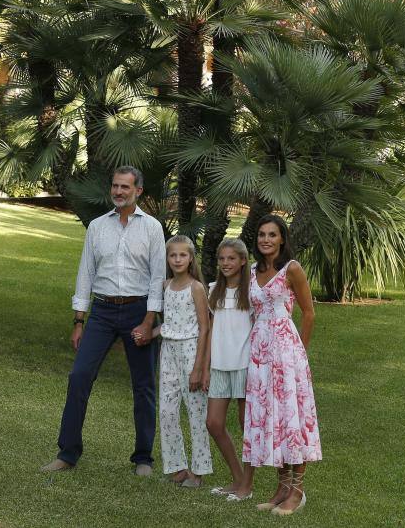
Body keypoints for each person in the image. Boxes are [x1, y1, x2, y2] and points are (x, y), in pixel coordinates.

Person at [41, 166, 165, 477]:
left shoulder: (152, 228)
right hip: (102, 312)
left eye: (125, 187)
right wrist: (79, 320)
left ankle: (143, 458)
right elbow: (86, 273)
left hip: (139, 311)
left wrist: (149, 321)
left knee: (144, 385)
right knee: (79, 376)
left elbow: (158, 278)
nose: (119, 192)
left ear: (138, 191)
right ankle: (67, 453)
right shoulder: (97, 226)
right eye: (115, 186)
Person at [233, 214, 322, 515]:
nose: (266, 239)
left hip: (286, 352)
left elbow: (309, 313)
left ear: (282, 238)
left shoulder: (291, 269)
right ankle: (281, 488)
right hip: (259, 352)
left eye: (272, 234)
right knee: (271, 418)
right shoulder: (254, 270)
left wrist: (300, 353)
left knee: (291, 417)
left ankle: (297, 491)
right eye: (261, 234)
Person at [136, 235, 212, 487]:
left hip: (191, 352)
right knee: (167, 411)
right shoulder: (166, 286)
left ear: (191, 258)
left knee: (195, 412)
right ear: (167, 259)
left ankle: (198, 471)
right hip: (167, 351)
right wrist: (148, 333)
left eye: (182, 255)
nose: (177, 259)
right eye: (172, 255)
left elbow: (204, 328)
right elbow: (170, 324)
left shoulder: (196, 288)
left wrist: (199, 368)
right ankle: (177, 466)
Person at [203, 239, 254, 500]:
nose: (225, 263)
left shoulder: (252, 291)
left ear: (243, 261)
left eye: (231, 259)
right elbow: (211, 331)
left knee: (247, 425)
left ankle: (246, 485)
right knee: (213, 423)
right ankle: (237, 478)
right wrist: (206, 367)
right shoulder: (213, 291)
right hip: (220, 366)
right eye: (221, 259)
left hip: (246, 365)